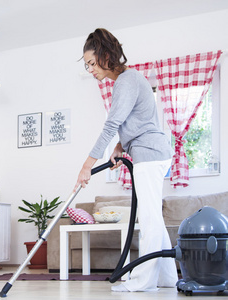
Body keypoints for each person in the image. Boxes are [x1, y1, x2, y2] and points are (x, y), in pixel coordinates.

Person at [75, 28, 178, 292]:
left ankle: (143, 282)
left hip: (150, 154)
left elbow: (111, 125)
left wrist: (87, 165)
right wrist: (120, 146)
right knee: (154, 217)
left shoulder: (126, 80)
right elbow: (138, 121)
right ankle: (167, 278)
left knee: (149, 219)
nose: (89, 70)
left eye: (90, 63)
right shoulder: (128, 80)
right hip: (151, 152)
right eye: (86, 65)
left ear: (105, 55)